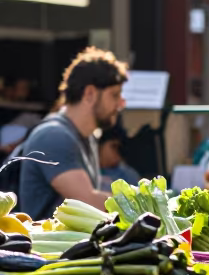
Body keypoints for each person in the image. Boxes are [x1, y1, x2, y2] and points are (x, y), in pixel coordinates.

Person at [18, 47, 128, 220]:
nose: (121, 103)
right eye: (114, 95)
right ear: (89, 93)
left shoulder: (88, 137)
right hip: (44, 246)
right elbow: (89, 202)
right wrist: (142, 204)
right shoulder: (54, 136)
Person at [98, 124, 140, 193]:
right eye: (114, 147)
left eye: (120, 150)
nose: (117, 154)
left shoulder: (126, 174)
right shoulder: (83, 169)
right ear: (100, 145)